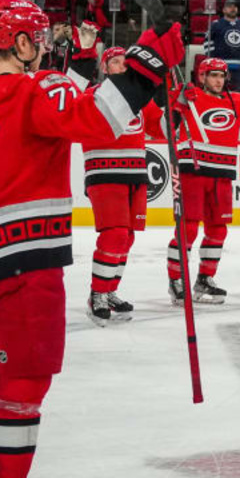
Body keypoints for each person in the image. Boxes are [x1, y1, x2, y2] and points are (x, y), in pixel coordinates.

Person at [0, 0, 181, 478]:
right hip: (20, 259)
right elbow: (101, 118)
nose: (48, 49)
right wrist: (150, 59)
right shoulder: (39, 88)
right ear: (22, 44)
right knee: (23, 381)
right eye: (40, 39)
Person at [165, 55, 240, 304]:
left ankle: (205, 279)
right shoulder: (189, 96)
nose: (217, 80)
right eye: (212, 75)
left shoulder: (234, 101)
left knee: (218, 229)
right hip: (192, 172)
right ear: (202, 77)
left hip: (222, 175)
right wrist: (178, 103)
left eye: (221, 76)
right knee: (189, 228)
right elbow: (166, 127)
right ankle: (176, 279)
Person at [70, 33, 161, 324]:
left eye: (126, 62)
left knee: (128, 237)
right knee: (115, 234)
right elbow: (74, 114)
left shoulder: (138, 97)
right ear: (105, 67)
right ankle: (96, 294)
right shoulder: (92, 95)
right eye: (116, 62)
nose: (122, 66)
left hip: (136, 173)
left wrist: (177, 103)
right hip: (104, 173)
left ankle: (110, 290)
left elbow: (160, 127)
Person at [206, 0, 240, 90]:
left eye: (235, 7)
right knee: (220, 92)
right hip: (220, 67)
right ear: (224, 10)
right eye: (230, 7)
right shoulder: (216, 24)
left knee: (239, 93)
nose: (233, 9)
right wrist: (213, 62)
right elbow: (208, 44)